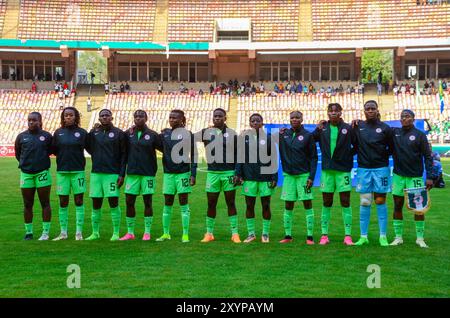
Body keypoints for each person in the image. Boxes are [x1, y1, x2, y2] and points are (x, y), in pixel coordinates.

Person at [313, 103, 357, 245]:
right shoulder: (322, 128)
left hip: (343, 170)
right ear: (327, 113)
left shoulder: (348, 128)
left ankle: (348, 236)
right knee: (327, 202)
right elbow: (311, 139)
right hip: (327, 171)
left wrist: (347, 156)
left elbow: (357, 145)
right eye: (330, 111)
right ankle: (324, 235)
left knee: (345, 201)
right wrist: (317, 128)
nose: (333, 113)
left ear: (340, 113)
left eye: (336, 111)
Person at [390, 110, 433, 248]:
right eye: (402, 117)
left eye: (407, 116)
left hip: (415, 177)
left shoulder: (420, 135)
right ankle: (398, 237)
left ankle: (420, 238)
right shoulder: (395, 133)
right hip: (398, 176)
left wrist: (430, 177)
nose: (404, 119)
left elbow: (427, 156)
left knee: (419, 209)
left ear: (413, 119)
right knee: (397, 205)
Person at [352, 101, 393, 246]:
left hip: (381, 169)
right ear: (364, 111)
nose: (370, 111)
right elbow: (354, 145)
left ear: (377, 110)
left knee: (380, 201)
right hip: (364, 169)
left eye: (373, 108)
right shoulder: (358, 126)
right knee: (365, 201)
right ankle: (363, 236)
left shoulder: (385, 128)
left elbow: (392, 147)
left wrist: (381, 155)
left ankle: (383, 236)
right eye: (367, 109)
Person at [198, 108, 241, 243]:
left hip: (228, 173)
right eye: (215, 116)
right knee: (211, 204)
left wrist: (237, 173)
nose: (217, 118)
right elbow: (187, 137)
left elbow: (239, 155)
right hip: (212, 173)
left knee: (231, 203)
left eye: (220, 116)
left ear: (225, 118)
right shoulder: (206, 132)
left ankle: (235, 233)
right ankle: (209, 233)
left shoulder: (232, 133)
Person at [120, 110, 162, 241]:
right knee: (129, 202)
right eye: (136, 117)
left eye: (141, 116)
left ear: (146, 118)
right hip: (132, 173)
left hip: (148, 174)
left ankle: (147, 232)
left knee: (147, 202)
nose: (138, 119)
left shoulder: (153, 135)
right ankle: (130, 232)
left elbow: (164, 149)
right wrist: (121, 174)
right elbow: (123, 154)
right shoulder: (128, 134)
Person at [235, 113, 278, 243]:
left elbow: (274, 159)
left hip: (265, 178)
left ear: (262, 123)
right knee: (249, 206)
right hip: (249, 178)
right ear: (249, 123)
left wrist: (274, 177)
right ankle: (251, 233)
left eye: (257, 121)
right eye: (252, 121)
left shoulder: (269, 138)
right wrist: (238, 174)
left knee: (266, 205)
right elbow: (240, 157)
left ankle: (265, 233)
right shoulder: (244, 138)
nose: (255, 123)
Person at [85, 109, 127, 241]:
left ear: (111, 117)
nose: (104, 117)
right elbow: (88, 146)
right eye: (102, 116)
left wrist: (121, 174)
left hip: (112, 173)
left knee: (113, 202)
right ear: (99, 119)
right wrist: (92, 131)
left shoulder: (119, 133)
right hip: (96, 173)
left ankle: (115, 233)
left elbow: (123, 155)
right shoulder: (95, 133)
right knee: (96, 203)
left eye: (107, 115)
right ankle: (95, 232)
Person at [156, 110, 197, 243]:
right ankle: (166, 233)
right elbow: (152, 141)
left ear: (182, 119)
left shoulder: (188, 134)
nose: (172, 120)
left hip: (183, 173)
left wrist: (193, 174)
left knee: (183, 204)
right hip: (168, 174)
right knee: (167, 204)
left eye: (175, 118)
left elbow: (194, 155)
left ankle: (185, 234)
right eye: (170, 117)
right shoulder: (165, 134)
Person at [277, 111, 318, 244]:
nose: (294, 120)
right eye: (292, 118)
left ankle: (310, 236)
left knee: (307, 203)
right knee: (288, 204)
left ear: (302, 119)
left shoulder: (307, 135)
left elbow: (313, 157)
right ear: (289, 120)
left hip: (303, 175)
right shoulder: (284, 134)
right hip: (288, 176)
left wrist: (311, 177)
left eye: (297, 118)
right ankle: (288, 235)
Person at [51, 107, 88, 241]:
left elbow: (90, 147)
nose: (68, 117)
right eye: (66, 115)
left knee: (79, 201)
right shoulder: (58, 133)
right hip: (62, 172)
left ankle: (79, 233)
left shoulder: (82, 133)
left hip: (78, 171)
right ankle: (63, 233)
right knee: (63, 202)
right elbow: (54, 150)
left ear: (76, 117)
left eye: (71, 115)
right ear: (63, 117)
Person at [15, 112, 53, 240]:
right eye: (29, 120)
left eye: (34, 120)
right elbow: (18, 154)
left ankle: (45, 232)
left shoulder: (47, 136)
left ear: (40, 121)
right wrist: (25, 164)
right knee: (27, 204)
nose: (31, 122)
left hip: (42, 173)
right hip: (26, 174)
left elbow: (50, 151)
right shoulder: (21, 137)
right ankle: (29, 232)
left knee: (45, 203)